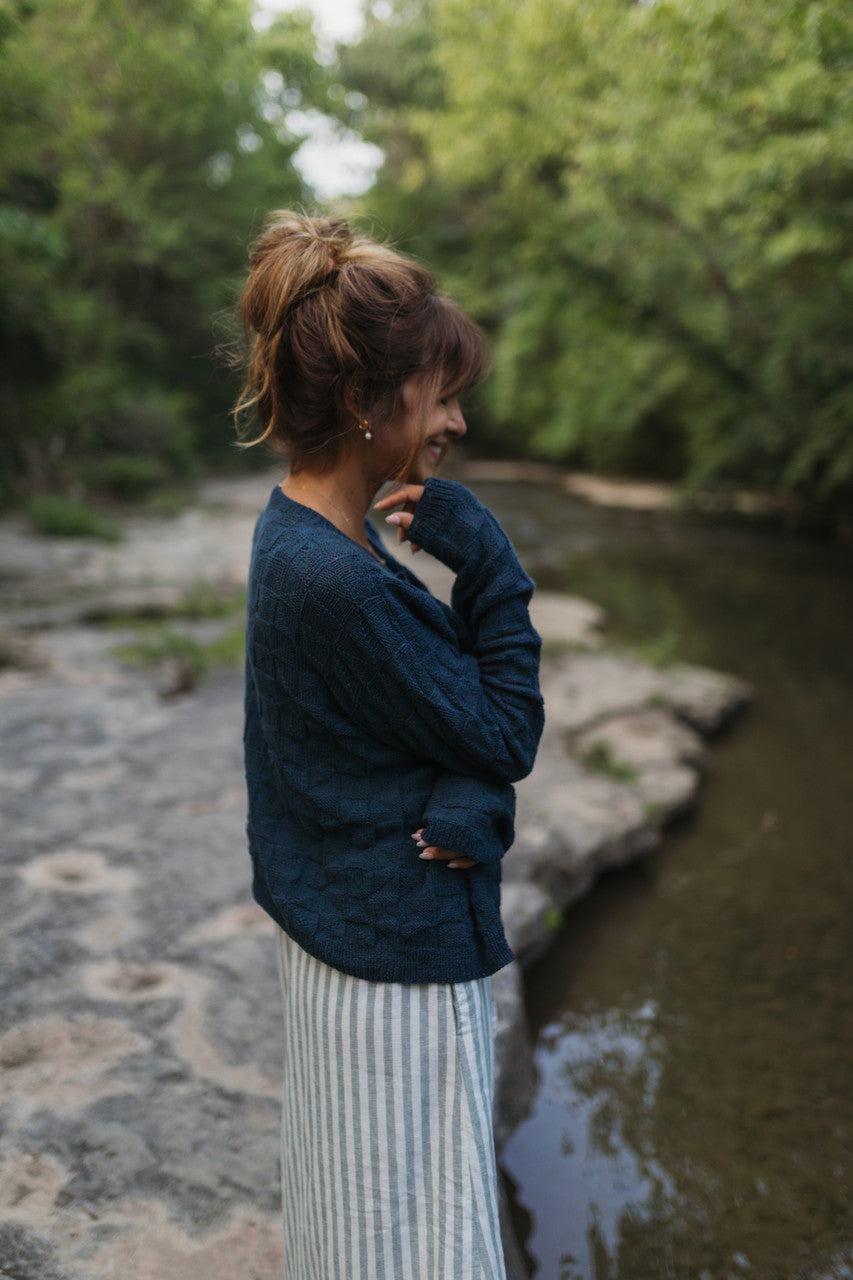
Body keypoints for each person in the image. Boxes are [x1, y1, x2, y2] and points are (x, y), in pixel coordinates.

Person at [235, 210, 544, 1280]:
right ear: (371, 402)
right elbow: (504, 726)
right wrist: (491, 561)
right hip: (388, 980)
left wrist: (477, 798)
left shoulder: (323, 537)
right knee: (407, 1243)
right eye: (441, 393)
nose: (454, 419)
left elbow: (436, 716)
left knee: (364, 1226)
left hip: (360, 947)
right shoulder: (336, 579)